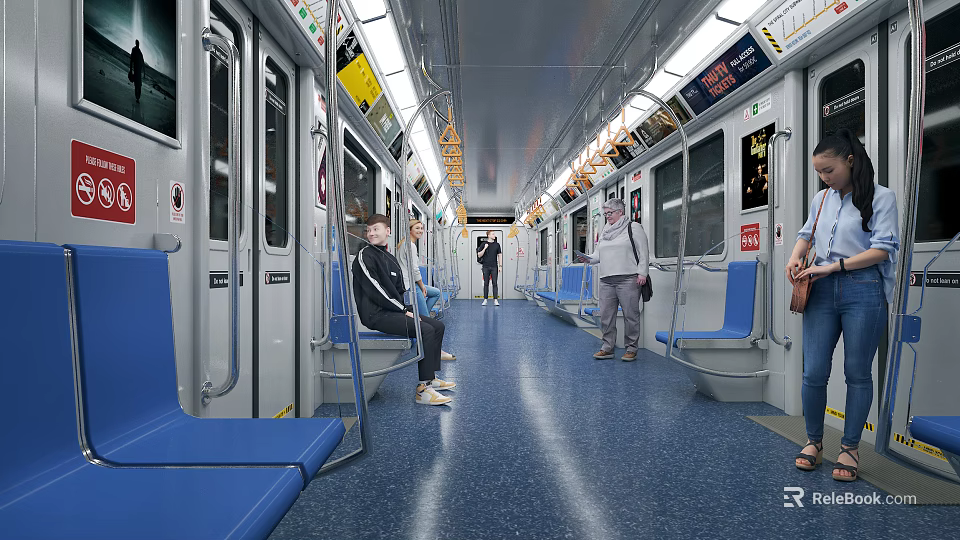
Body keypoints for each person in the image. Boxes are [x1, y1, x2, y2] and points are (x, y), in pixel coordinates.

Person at [787, 128, 899, 481]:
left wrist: (832, 266)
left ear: (850, 161)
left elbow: (882, 249)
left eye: (829, 170)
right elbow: (806, 234)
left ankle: (850, 448)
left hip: (863, 289)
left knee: (857, 373)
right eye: (819, 172)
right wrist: (795, 258)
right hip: (820, 289)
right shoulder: (821, 200)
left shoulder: (882, 198)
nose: (824, 178)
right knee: (814, 371)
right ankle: (814, 442)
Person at [352, 214, 456, 405]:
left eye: (376, 229)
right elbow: (376, 291)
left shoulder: (389, 258)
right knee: (425, 329)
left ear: (387, 231)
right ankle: (423, 389)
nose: (371, 233)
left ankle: (431, 378)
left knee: (437, 326)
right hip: (375, 314)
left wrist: (405, 308)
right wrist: (402, 310)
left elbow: (398, 289)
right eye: (369, 230)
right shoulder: (364, 257)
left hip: (391, 310)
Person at [577, 198, 648, 362]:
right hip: (606, 279)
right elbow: (598, 255)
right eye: (605, 213)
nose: (607, 216)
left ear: (620, 212)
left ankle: (631, 348)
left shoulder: (633, 228)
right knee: (606, 316)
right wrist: (589, 259)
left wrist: (642, 273)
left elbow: (643, 251)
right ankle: (607, 347)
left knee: (631, 315)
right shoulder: (605, 231)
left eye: (610, 213)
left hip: (628, 278)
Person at [396, 219, 455, 360]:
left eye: (422, 228)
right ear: (410, 230)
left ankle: (422, 316)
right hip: (411, 285)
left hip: (409, 283)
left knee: (436, 292)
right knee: (429, 323)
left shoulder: (404, 244)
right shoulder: (410, 246)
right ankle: (436, 351)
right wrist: (422, 286)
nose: (420, 230)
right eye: (417, 228)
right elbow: (415, 270)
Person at [477, 230, 502, 306]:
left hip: (494, 266)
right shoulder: (483, 244)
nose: (494, 235)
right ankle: (485, 300)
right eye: (493, 234)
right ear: (489, 235)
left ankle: (495, 300)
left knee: (495, 283)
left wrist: (500, 266)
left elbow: (499, 255)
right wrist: (484, 248)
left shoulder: (497, 245)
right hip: (486, 266)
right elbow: (479, 255)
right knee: (486, 283)